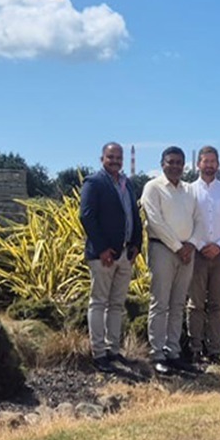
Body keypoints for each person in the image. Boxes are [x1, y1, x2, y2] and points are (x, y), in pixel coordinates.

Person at [80, 142, 144, 373]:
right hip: (104, 256)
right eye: (111, 157)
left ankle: (113, 350)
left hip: (125, 254)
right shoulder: (94, 183)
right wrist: (102, 248)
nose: (115, 161)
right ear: (102, 159)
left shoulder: (128, 184)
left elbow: (134, 216)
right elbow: (87, 217)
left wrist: (137, 243)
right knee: (98, 303)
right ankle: (99, 354)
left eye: (119, 157)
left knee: (116, 304)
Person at [141, 146, 204, 375]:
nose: (175, 166)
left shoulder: (189, 191)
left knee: (178, 304)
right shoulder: (153, 187)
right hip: (163, 250)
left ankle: (173, 352)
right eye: (171, 162)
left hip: (187, 252)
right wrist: (178, 247)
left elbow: (199, 220)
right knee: (160, 303)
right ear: (162, 163)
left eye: (179, 162)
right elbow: (155, 220)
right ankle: (157, 353)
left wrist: (191, 244)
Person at [187, 146, 220, 364]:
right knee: (196, 304)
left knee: (218, 305)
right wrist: (200, 245)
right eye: (205, 161)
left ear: (218, 164)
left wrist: (218, 246)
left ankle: (214, 350)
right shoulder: (189, 191)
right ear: (198, 164)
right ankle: (195, 348)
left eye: (213, 161)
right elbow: (187, 223)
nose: (209, 165)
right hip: (197, 254)